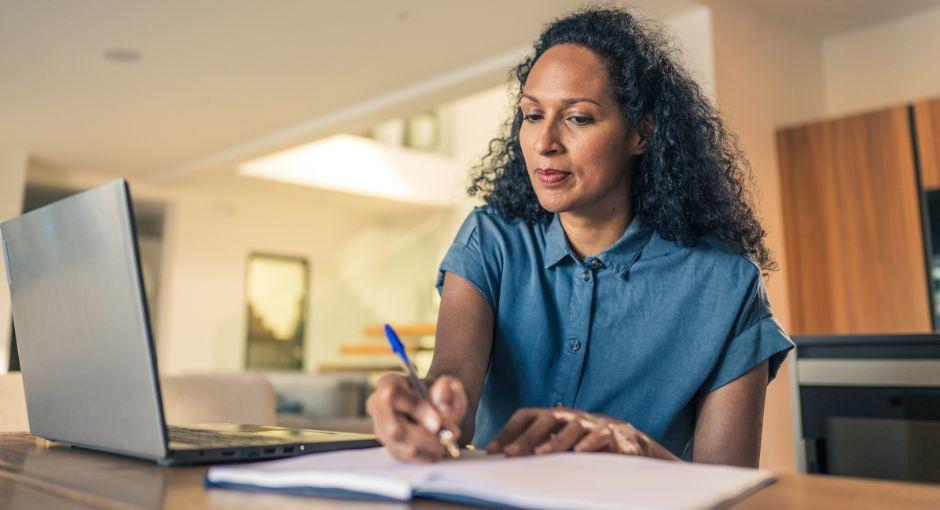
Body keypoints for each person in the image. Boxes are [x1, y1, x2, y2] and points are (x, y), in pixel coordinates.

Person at [366, 6, 793, 466]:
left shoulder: (725, 281)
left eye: (579, 118)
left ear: (641, 133)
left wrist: (634, 447)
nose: (544, 141)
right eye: (532, 115)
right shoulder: (490, 239)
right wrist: (423, 406)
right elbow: (455, 394)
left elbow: (730, 483)